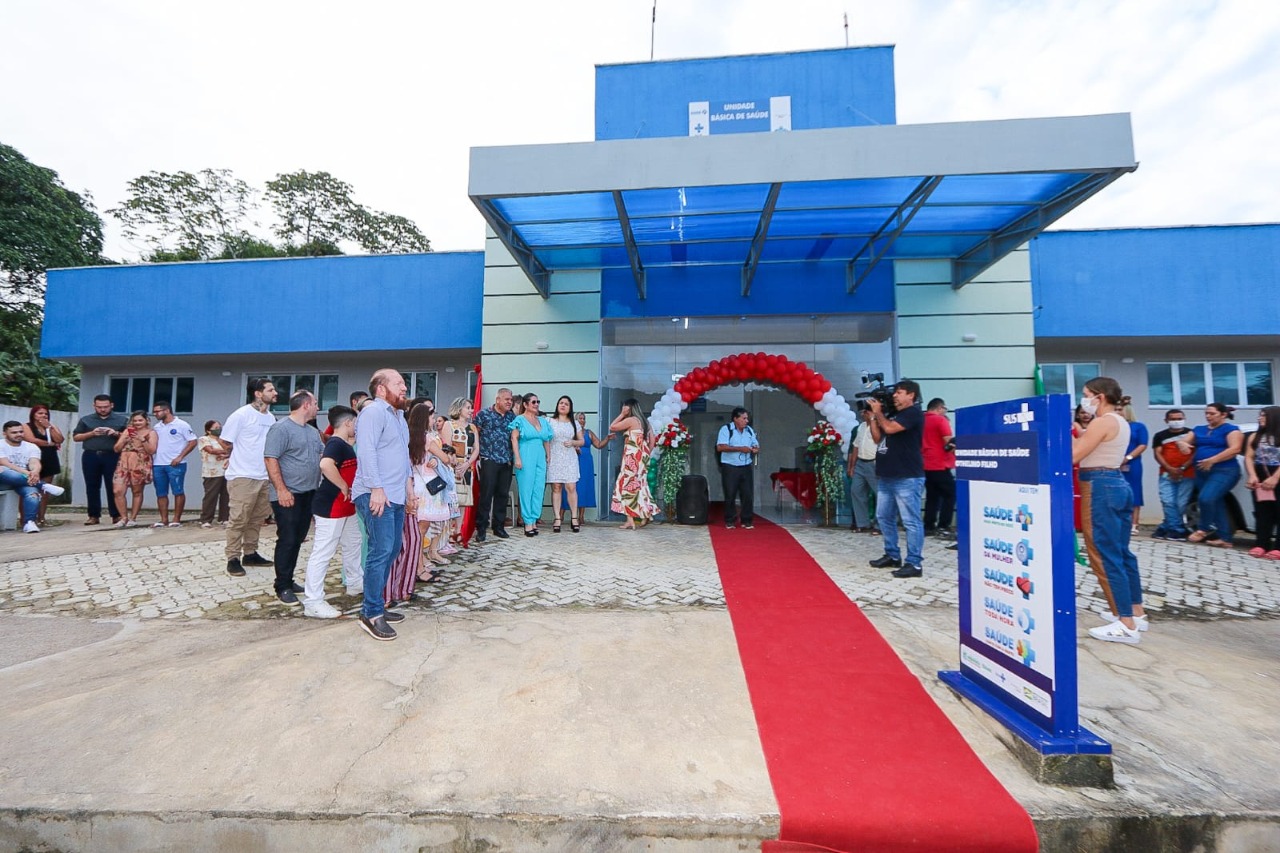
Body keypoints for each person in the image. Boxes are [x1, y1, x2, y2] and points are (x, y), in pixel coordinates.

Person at [1073, 377, 1146, 644]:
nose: (1084, 400)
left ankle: (1125, 623)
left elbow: (1072, 456)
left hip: (1100, 486)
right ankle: (1135, 611)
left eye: (1086, 394)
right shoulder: (1120, 421)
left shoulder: (1102, 422)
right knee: (1121, 552)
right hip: (1116, 482)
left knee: (1103, 553)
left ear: (1100, 396)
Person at [352, 368, 414, 641]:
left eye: (404, 383)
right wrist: (376, 488)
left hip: (396, 494)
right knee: (380, 551)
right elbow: (365, 451)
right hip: (376, 493)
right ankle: (371, 613)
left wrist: (409, 489)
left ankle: (376, 603)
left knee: (392, 549)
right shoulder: (373, 413)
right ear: (380, 389)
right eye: (398, 383)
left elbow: (403, 456)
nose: (404, 387)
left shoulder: (399, 416)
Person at [263, 390, 323, 606]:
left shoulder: (312, 432)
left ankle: (289, 578)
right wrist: (281, 490)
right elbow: (271, 459)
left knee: (298, 538)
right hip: (288, 494)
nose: (318, 407)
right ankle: (282, 585)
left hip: (309, 493)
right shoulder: (281, 428)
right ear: (306, 405)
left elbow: (322, 455)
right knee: (287, 539)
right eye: (315, 403)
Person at [302, 406, 363, 617]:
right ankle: (313, 601)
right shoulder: (336, 444)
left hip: (347, 506)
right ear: (348, 423)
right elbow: (326, 465)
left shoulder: (344, 444)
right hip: (332, 506)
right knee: (323, 552)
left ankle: (355, 582)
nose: (357, 427)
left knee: (353, 543)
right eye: (355, 423)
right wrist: (343, 486)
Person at [866, 380, 926, 578]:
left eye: (899, 392)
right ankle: (892, 554)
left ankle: (914, 563)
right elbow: (877, 438)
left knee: (910, 521)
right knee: (884, 517)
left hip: (907, 476)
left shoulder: (913, 413)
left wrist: (879, 413)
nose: (895, 396)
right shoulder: (893, 415)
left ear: (911, 395)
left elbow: (891, 429)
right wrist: (873, 417)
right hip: (887, 475)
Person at [222, 378, 279, 577]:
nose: (275, 393)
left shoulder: (271, 418)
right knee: (238, 518)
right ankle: (233, 558)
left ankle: (250, 553)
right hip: (242, 476)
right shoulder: (241, 415)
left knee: (257, 518)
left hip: (263, 476)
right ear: (257, 393)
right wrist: (234, 457)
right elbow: (225, 441)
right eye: (271, 390)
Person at [1180, 402, 1244, 548]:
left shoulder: (1231, 430)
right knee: (1217, 502)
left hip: (1224, 471)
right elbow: (1184, 441)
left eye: (1212, 413)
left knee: (1206, 498)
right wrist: (1182, 445)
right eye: (1206, 413)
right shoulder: (1199, 429)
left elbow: (1235, 449)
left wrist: (1213, 460)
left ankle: (1203, 528)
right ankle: (1225, 538)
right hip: (1201, 471)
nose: (1208, 416)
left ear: (1223, 414)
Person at [72, 394, 129, 526]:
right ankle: (93, 515)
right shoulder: (86, 420)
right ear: (94, 406)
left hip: (112, 455)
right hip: (91, 455)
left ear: (112, 405)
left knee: (113, 486)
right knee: (92, 485)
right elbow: (76, 437)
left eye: (105, 407)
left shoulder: (121, 420)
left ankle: (116, 515)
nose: (102, 409)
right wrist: (91, 433)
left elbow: (129, 437)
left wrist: (115, 433)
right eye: (99, 407)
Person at [2, 420, 62, 533]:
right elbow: (5, 463)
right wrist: (27, 473)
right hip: (4, 480)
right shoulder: (1, 445)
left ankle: (29, 522)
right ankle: (43, 485)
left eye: (21, 432)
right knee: (4, 471)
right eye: (14, 432)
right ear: (5, 434)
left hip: (24, 480)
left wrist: (35, 472)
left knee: (33, 494)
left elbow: (35, 462)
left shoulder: (31, 447)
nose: (19, 434)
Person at [473, 387, 516, 541]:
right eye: (507, 399)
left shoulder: (512, 417)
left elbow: (515, 437)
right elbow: (474, 433)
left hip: (506, 460)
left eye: (511, 400)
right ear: (498, 400)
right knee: (486, 494)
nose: (509, 402)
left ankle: (498, 527)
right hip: (489, 459)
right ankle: (481, 528)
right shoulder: (484, 414)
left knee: (502, 495)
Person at [609, 398, 658, 530]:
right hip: (643, 456)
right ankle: (645, 514)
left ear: (628, 408)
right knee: (641, 485)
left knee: (625, 486)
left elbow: (612, 427)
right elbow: (652, 441)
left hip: (632, 456)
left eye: (624, 407)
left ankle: (630, 520)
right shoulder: (645, 422)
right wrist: (645, 453)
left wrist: (622, 414)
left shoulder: (631, 420)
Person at [149, 400, 197, 528]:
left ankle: (176, 519)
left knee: (178, 491)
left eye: (158, 411)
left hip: (175, 464)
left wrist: (180, 456)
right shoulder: (157, 427)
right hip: (158, 463)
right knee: (161, 493)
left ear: (167, 411)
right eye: (154, 412)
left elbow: (192, 441)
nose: (155, 414)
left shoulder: (182, 425)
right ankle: (163, 519)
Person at [511, 393, 553, 536]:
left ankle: (534, 519)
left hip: (540, 455)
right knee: (526, 488)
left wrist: (548, 456)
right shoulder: (519, 420)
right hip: (525, 453)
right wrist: (517, 457)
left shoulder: (542, 421)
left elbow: (546, 439)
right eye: (533, 402)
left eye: (538, 402)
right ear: (525, 404)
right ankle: (527, 521)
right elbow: (514, 439)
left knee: (539, 488)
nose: (536, 404)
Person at [1150, 409, 1194, 541]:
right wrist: (1169, 468)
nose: (1177, 421)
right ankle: (1177, 530)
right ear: (1166, 421)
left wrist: (1183, 467)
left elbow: (1196, 453)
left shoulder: (1191, 434)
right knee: (1168, 501)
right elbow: (1157, 454)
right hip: (1165, 474)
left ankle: (1165, 527)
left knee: (1181, 503)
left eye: (1179, 418)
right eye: (1173, 419)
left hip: (1187, 474)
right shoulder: (1160, 436)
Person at [1244, 406, 1280, 559]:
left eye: (1263, 416)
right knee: (1263, 512)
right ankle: (1261, 544)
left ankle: (1278, 547)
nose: (1260, 419)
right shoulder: (1255, 436)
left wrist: (1275, 478)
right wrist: (1252, 475)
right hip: (1260, 476)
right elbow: (1249, 457)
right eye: (1260, 416)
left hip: (1277, 474)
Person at [445, 397, 479, 551]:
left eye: (471, 408)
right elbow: (446, 447)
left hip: (467, 466)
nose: (471, 411)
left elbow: (476, 448)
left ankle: (458, 530)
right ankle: (449, 531)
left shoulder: (472, 427)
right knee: (452, 499)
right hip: (452, 466)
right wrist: (455, 464)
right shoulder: (449, 425)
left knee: (463, 499)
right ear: (459, 409)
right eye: (468, 407)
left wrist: (467, 464)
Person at [716, 407, 759, 529]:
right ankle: (730, 520)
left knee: (747, 494)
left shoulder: (749, 430)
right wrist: (740, 448)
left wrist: (755, 449)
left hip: (746, 466)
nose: (746, 421)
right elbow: (720, 447)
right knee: (730, 494)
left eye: (747, 418)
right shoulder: (726, 429)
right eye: (744, 418)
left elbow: (755, 445)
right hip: (730, 466)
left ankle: (747, 520)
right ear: (735, 419)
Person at [111, 411, 156, 527]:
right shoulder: (127, 431)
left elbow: (151, 450)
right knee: (117, 490)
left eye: (140, 420)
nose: (137, 423)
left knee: (137, 491)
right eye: (135, 420)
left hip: (140, 462)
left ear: (146, 420)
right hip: (124, 462)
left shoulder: (151, 433)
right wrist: (124, 439)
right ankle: (123, 517)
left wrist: (142, 439)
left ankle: (133, 517)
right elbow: (116, 449)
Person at [547, 396, 585, 532]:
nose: (563, 405)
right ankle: (557, 518)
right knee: (556, 487)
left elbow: (582, 441)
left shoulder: (574, 423)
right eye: (561, 403)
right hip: (555, 456)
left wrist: (573, 443)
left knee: (571, 487)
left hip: (569, 457)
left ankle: (574, 518)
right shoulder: (549, 421)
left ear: (570, 407)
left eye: (566, 404)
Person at [23, 405, 64, 527]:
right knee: (31, 487)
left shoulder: (51, 426)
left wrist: (49, 428)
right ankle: (28, 518)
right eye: (40, 413)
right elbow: (32, 440)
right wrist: (50, 443)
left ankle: (42, 517)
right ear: (34, 415)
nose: (43, 416)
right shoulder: (27, 426)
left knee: (45, 489)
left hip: (49, 458)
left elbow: (60, 439)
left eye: (45, 414)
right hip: (33, 458)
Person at [922, 398, 956, 538]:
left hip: (925, 463)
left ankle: (928, 526)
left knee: (932, 496)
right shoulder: (940, 420)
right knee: (950, 495)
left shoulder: (921, 420)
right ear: (940, 408)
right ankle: (943, 526)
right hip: (940, 463)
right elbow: (949, 443)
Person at [574, 411, 613, 526]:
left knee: (584, 487)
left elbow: (599, 445)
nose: (582, 420)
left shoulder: (589, 433)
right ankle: (573, 515)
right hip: (575, 462)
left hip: (586, 463)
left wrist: (607, 438)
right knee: (574, 488)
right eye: (580, 418)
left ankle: (581, 516)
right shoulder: (571, 432)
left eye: (583, 418)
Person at [846, 408, 879, 533]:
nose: (862, 414)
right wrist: (852, 466)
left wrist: (873, 420)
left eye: (864, 412)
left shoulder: (879, 425)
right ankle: (862, 523)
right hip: (860, 463)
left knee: (880, 494)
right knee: (856, 491)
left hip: (874, 463)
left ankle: (879, 525)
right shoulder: (860, 427)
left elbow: (878, 440)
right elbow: (855, 446)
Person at [1119, 401, 1149, 533]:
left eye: (1120, 409)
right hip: (1114, 462)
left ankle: (1134, 523)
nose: (1117, 412)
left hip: (1132, 463)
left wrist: (1127, 458)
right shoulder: (1114, 426)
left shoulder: (1138, 427)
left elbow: (1142, 444)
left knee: (1134, 491)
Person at [197, 420, 231, 528]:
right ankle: (206, 519)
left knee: (226, 495)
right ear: (208, 430)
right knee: (211, 496)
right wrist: (224, 452)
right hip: (211, 471)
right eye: (215, 427)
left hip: (225, 471)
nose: (218, 429)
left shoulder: (223, 440)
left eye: (219, 427)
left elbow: (231, 450)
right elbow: (210, 450)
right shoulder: (204, 439)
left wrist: (225, 453)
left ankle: (224, 518)